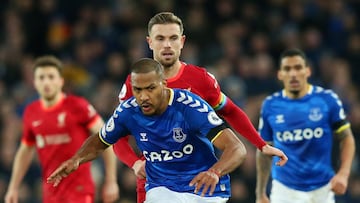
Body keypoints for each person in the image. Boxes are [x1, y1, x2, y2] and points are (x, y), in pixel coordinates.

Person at [113, 11, 288, 203]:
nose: (167, 45)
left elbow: (229, 111)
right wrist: (135, 163)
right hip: (156, 182)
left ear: (182, 41)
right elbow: (118, 135)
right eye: (160, 38)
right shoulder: (135, 83)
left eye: (173, 38)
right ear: (150, 42)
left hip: (198, 181)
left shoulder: (200, 80)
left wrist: (260, 144)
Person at [47, 58, 262, 203]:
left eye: (150, 88)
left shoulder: (190, 107)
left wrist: (215, 172)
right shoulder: (128, 111)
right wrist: (77, 159)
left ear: (163, 85)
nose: (143, 97)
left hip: (204, 189)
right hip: (162, 187)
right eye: (138, 90)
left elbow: (237, 149)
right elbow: (101, 141)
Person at [4, 55, 120, 203]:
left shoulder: (78, 106)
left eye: (51, 77)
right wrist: (13, 187)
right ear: (35, 82)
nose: (46, 82)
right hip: (51, 192)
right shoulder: (31, 112)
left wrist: (111, 181)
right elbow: (25, 150)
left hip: (79, 189)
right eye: (41, 77)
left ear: (61, 81)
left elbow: (106, 138)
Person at [255, 48, 356, 203]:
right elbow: (264, 149)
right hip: (285, 189)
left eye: (298, 67)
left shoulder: (327, 100)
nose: (293, 74)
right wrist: (260, 192)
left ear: (307, 71)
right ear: (280, 74)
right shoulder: (270, 105)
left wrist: (343, 173)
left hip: (323, 187)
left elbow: (346, 137)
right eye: (287, 69)